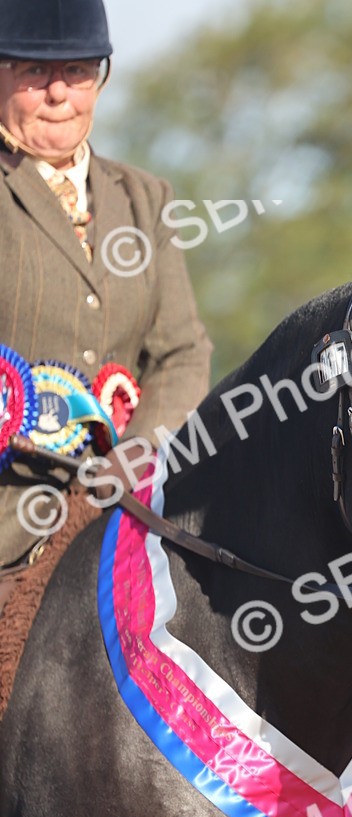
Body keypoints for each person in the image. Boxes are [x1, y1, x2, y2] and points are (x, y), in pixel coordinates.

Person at [0, 0, 212, 570]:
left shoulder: (145, 198)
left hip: (123, 513)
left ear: (101, 77)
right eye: (34, 72)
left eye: (78, 71)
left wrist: (136, 454)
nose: (58, 94)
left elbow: (182, 351)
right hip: (9, 521)